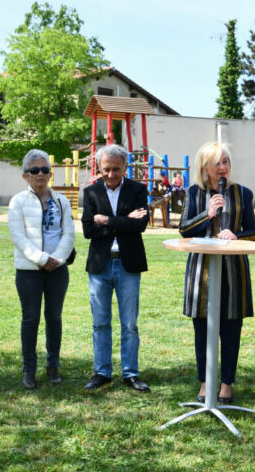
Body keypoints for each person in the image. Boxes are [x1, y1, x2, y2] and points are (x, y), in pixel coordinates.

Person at [178, 141, 255, 404]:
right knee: (202, 328)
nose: (222, 167)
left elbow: (254, 231)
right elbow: (184, 229)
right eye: (217, 163)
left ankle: (226, 384)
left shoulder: (242, 193)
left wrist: (236, 235)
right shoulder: (193, 192)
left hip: (233, 271)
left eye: (225, 161)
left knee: (231, 328)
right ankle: (204, 383)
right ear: (205, 167)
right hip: (202, 272)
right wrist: (208, 214)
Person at [81, 144, 151, 392]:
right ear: (99, 167)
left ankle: (130, 373)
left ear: (125, 167)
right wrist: (124, 221)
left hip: (128, 263)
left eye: (116, 169)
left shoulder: (138, 190)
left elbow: (141, 225)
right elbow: (89, 230)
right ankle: (102, 372)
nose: (111, 175)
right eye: (106, 169)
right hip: (100, 265)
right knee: (100, 322)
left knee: (130, 323)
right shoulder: (90, 192)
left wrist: (107, 220)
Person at [8, 149, 75, 390]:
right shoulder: (18, 201)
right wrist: (41, 259)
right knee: (30, 319)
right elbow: (19, 236)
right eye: (34, 170)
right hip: (29, 271)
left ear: (50, 173)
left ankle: (53, 366)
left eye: (45, 169)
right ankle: (29, 369)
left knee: (54, 318)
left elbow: (68, 234)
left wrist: (56, 259)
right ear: (25, 175)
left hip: (57, 269)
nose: (40, 174)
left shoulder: (62, 200)